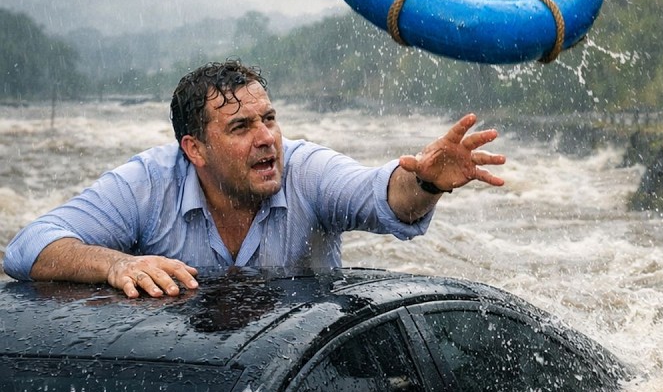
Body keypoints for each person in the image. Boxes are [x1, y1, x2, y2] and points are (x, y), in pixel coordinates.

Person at [3, 60, 505, 298]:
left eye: (269, 118)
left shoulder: (306, 171)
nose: (266, 138)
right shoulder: (148, 183)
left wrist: (427, 183)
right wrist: (115, 263)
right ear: (194, 149)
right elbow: (28, 248)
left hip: (302, 373)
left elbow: (384, 197)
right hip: (197, 383)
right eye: (241, 127)